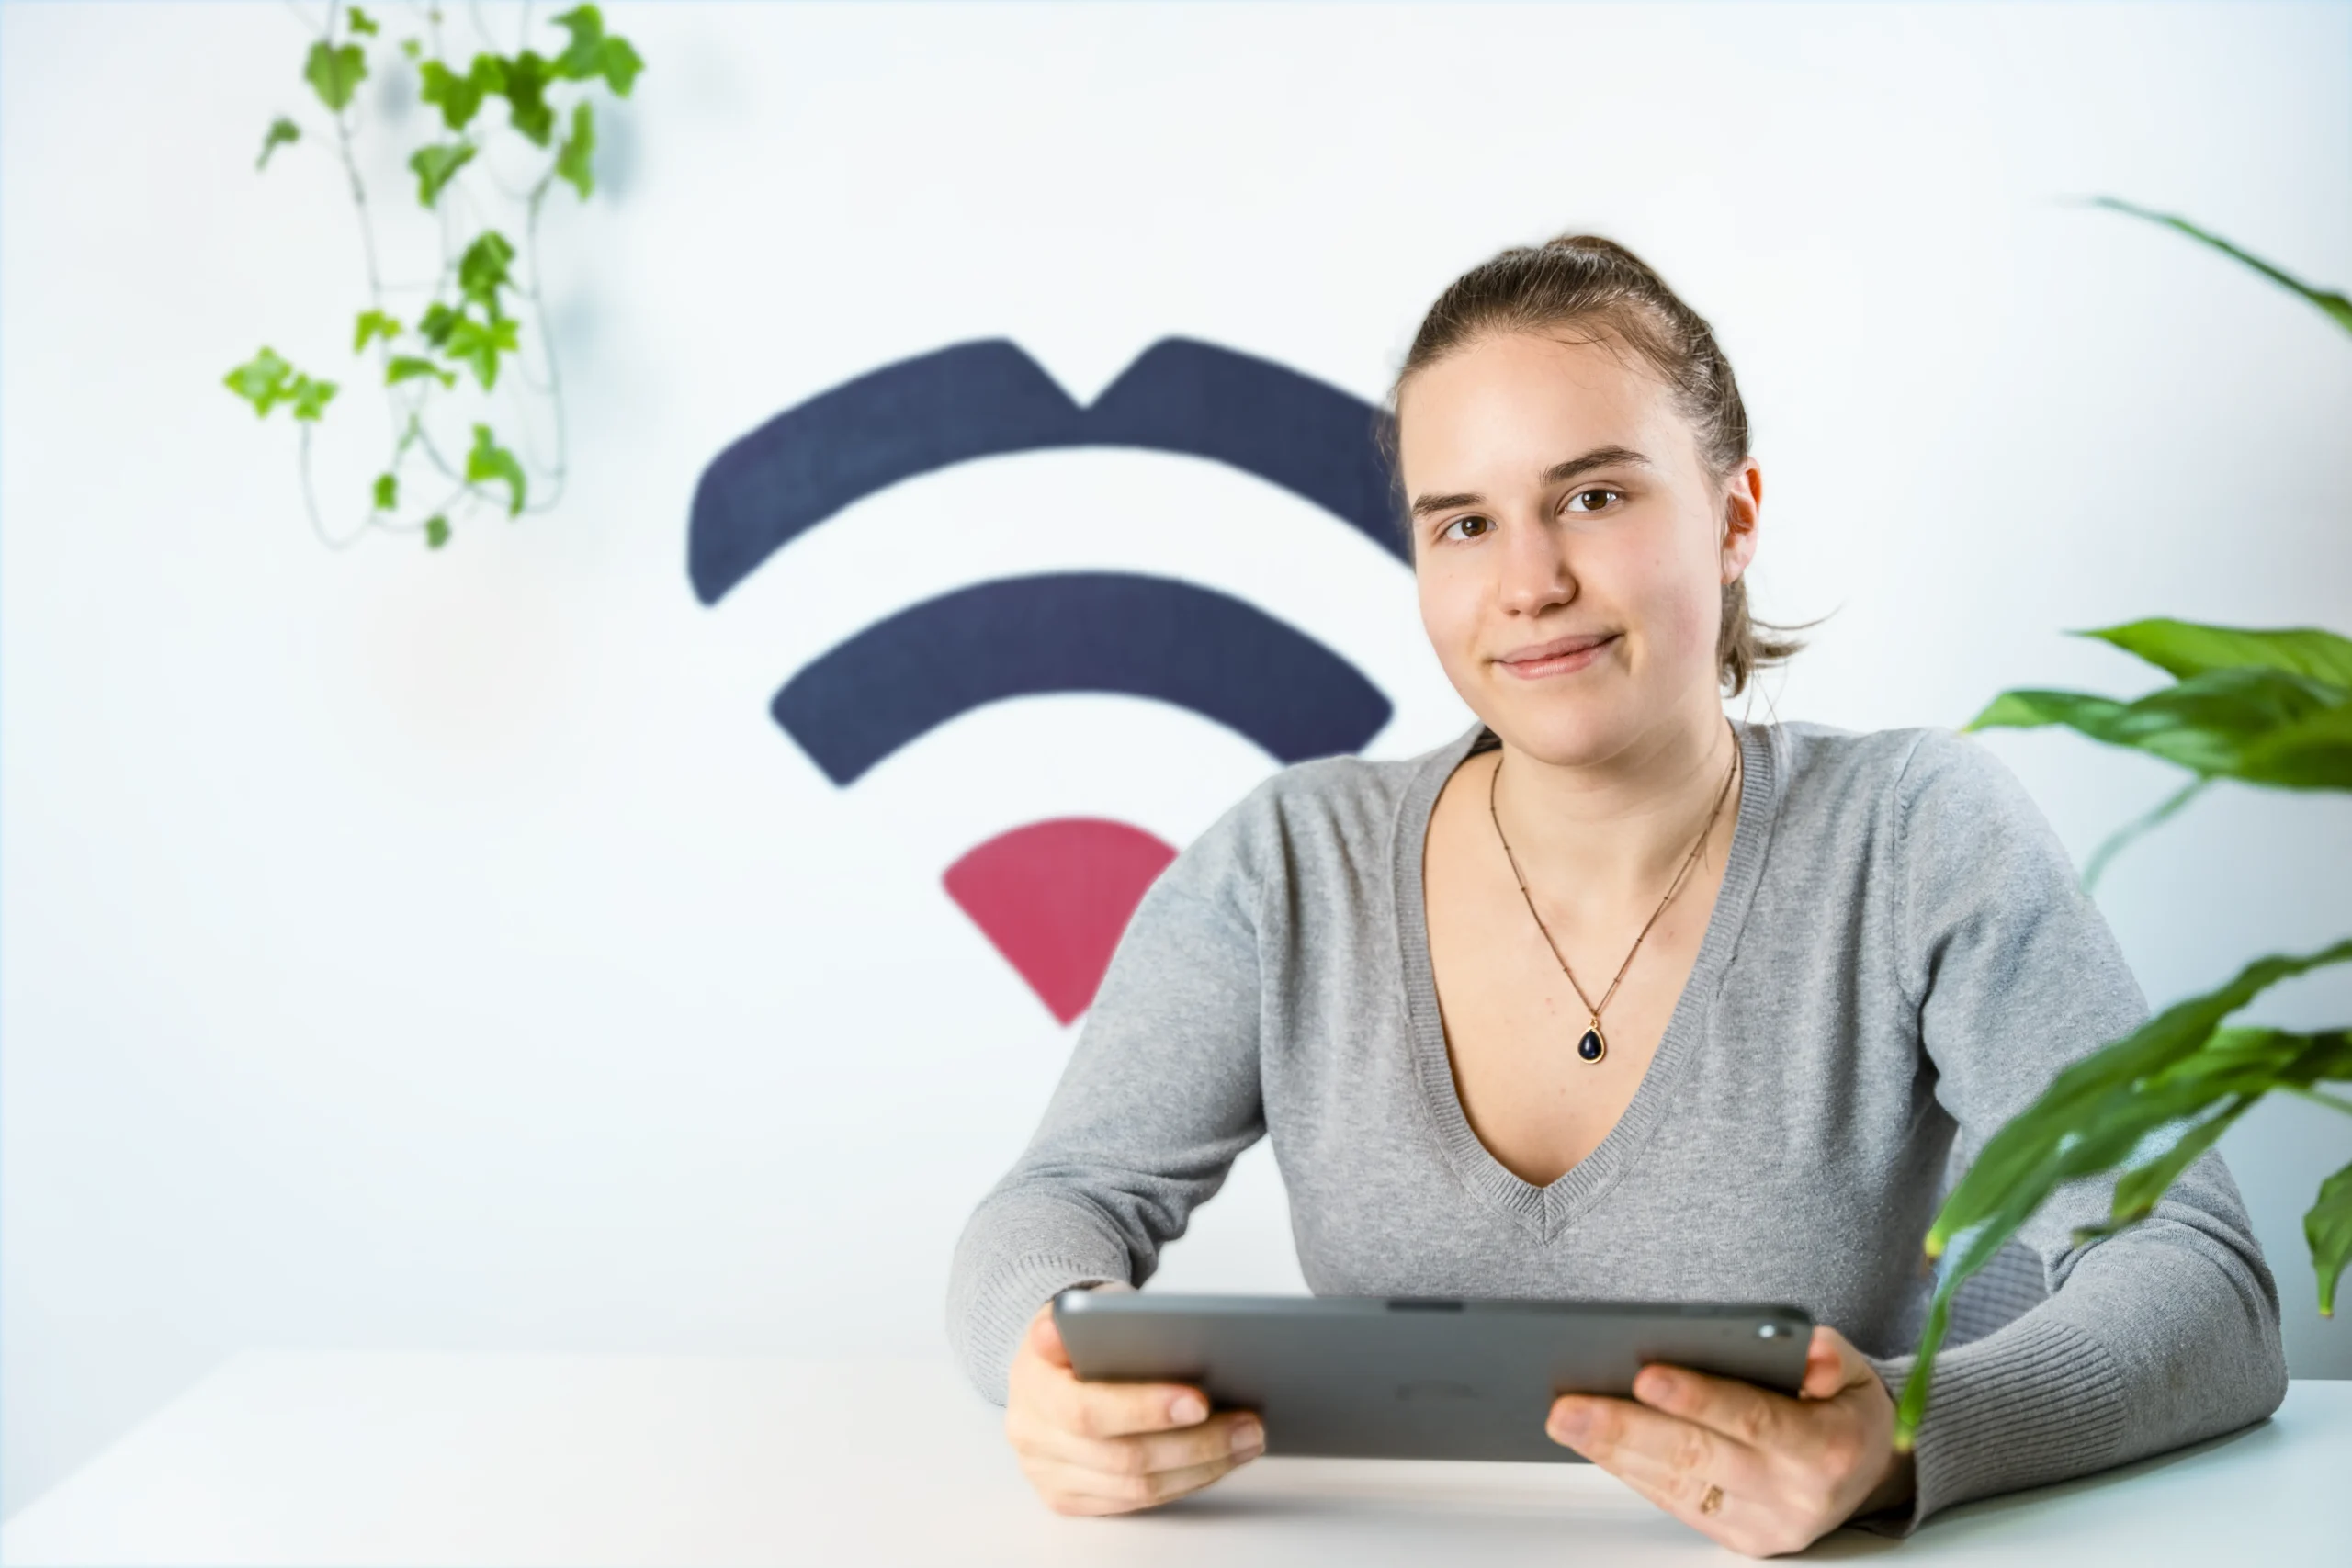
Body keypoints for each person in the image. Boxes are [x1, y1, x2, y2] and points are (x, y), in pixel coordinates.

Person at [944, 232, 2288, 1556]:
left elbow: (2206, 1282)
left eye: (1594, 496)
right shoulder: (1291, 864)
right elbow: (1052, 1201)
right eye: (1464, 523)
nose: (1530, 584)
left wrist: (1903, 1438)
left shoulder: (1915, 831)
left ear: (1734, 517)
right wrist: (1047, 1357)